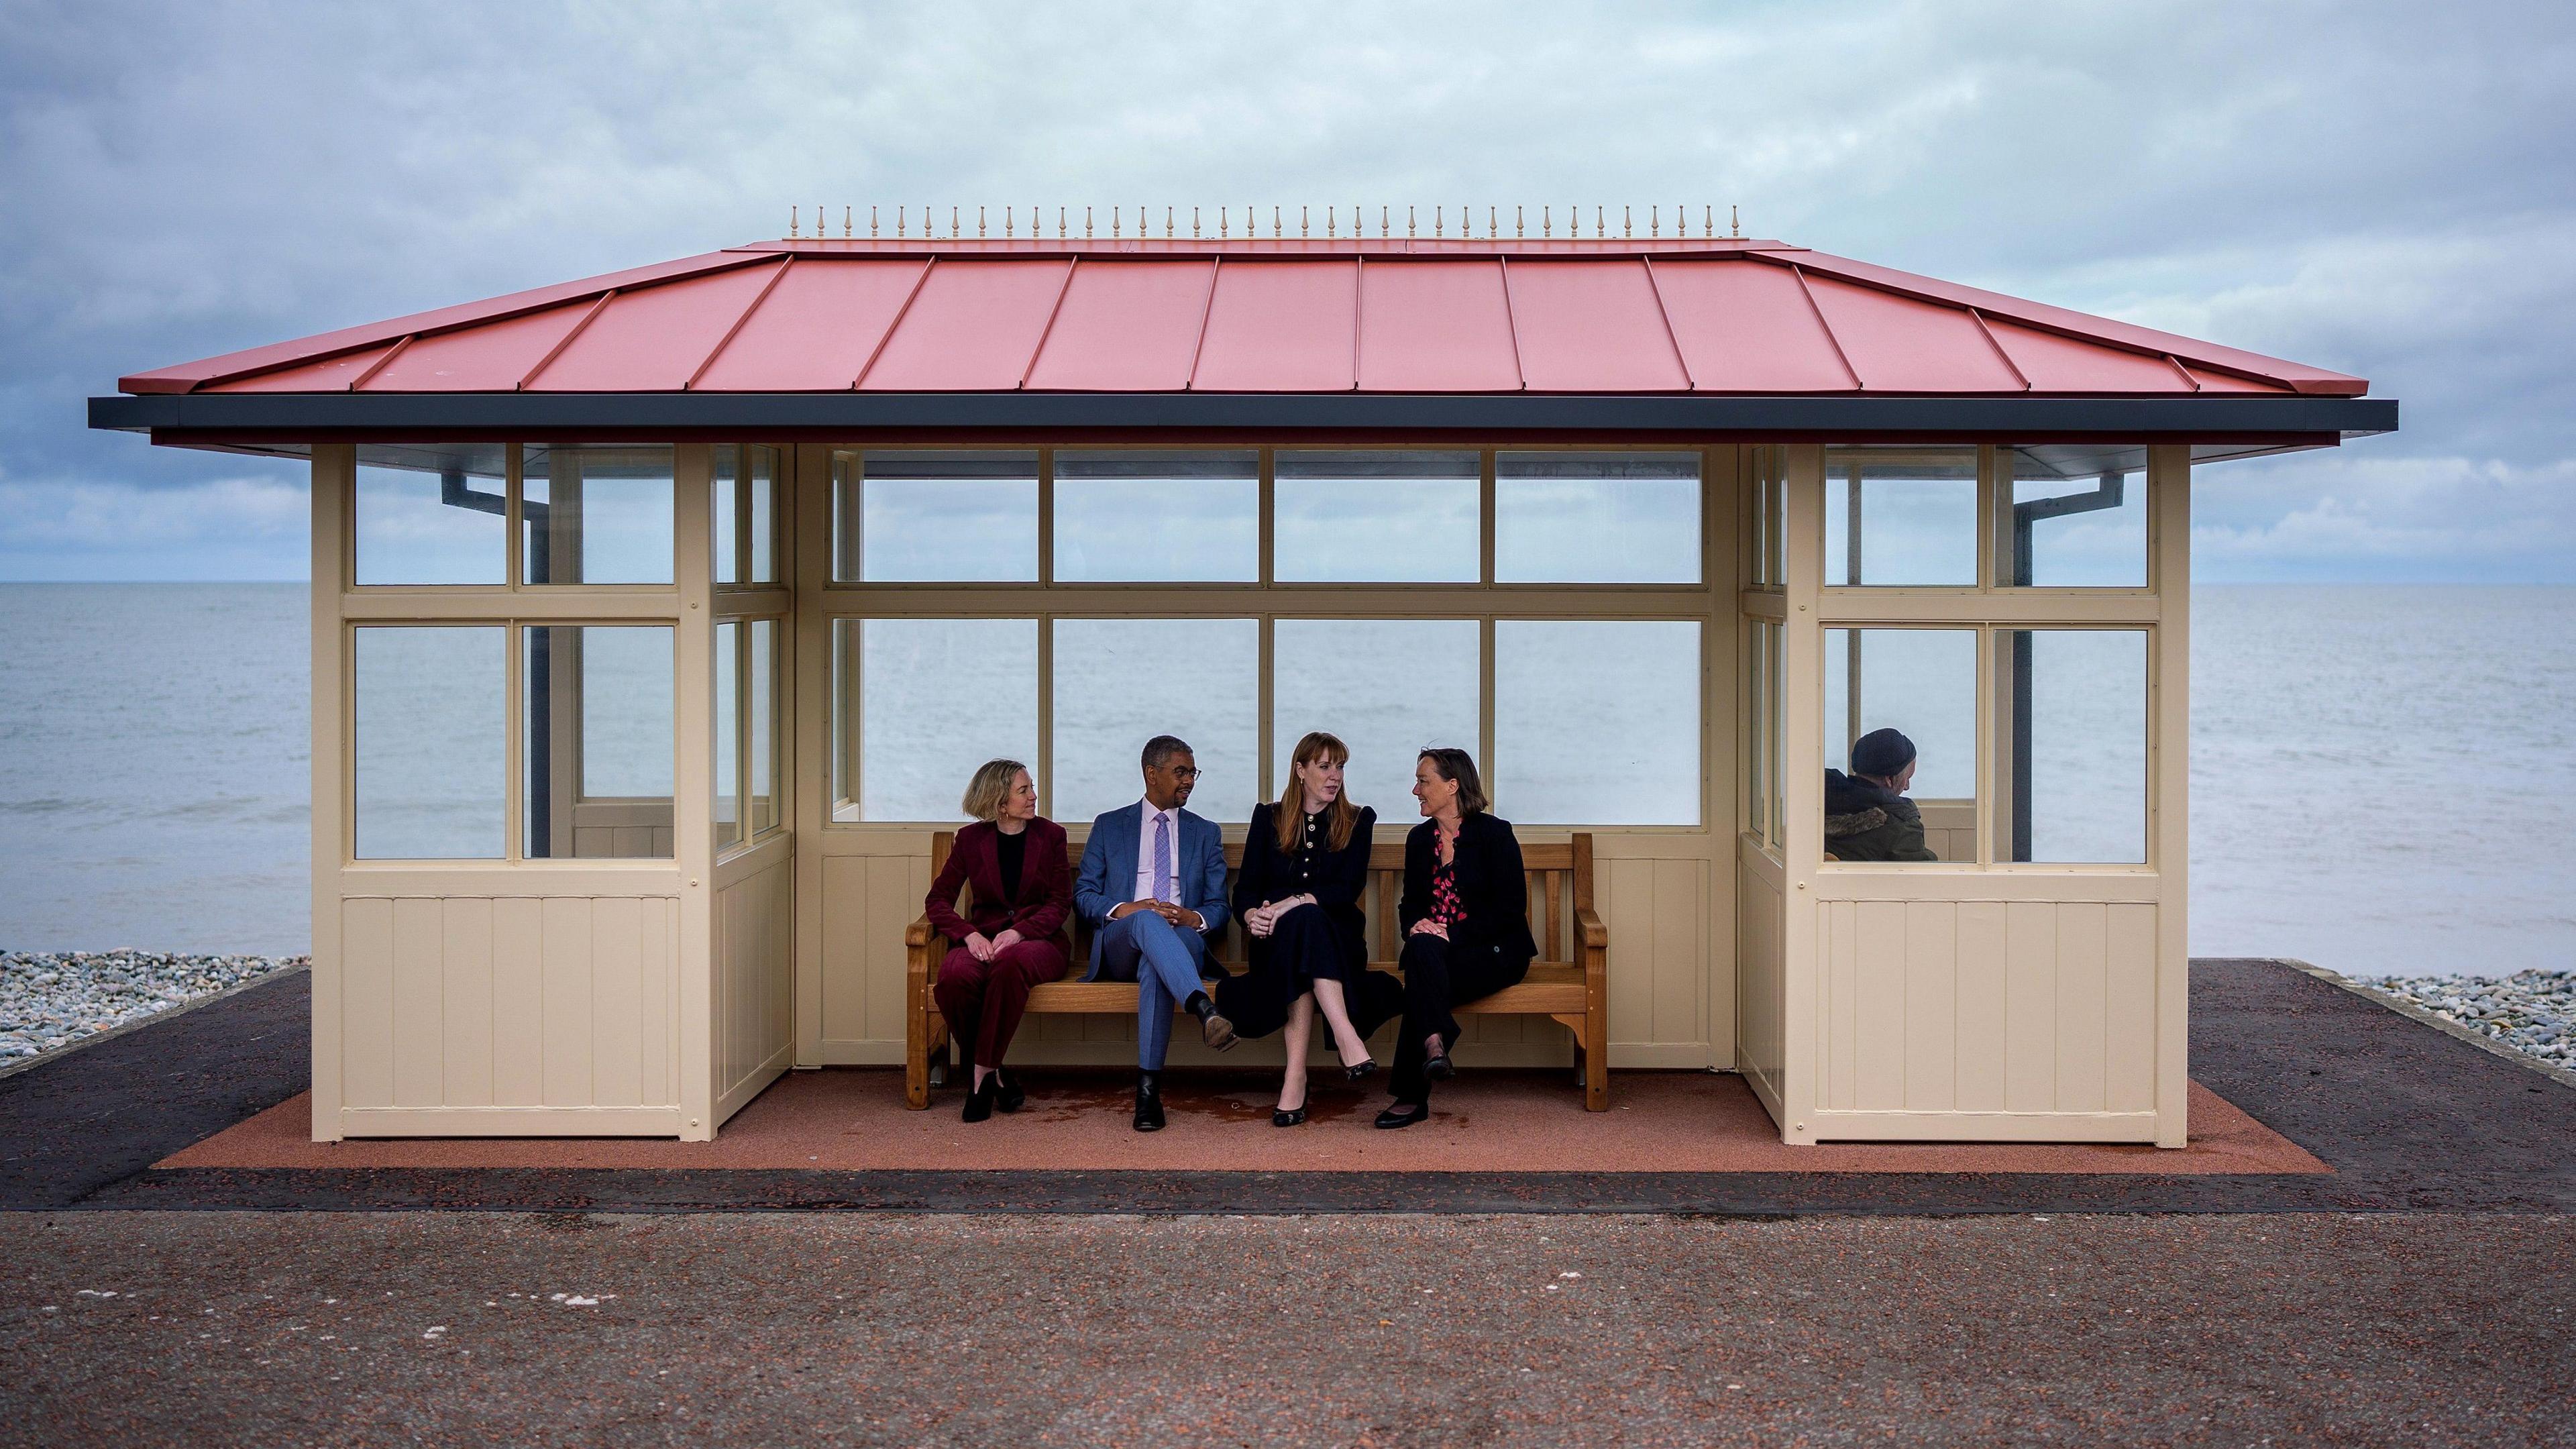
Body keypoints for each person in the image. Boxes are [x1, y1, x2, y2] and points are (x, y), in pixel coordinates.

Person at [1218, 731, 1404, 1128]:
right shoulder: (1268, 817)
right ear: (1301, 771)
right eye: (1324, 766)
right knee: (1298, 932)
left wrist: (1293, 902)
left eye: (1340, 767)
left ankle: (1295, 1078)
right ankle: (1346, 1038)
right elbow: (1247, 889)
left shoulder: (1358, 820)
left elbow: (1345, 889)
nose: (1334, 776)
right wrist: (1254, 917)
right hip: (1274, 945)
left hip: (1339, 947)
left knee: (1308, 920)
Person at [1073, 735, 1236, 1132]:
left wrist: (1190, 916)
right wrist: (1127, 909)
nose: (1190, 781)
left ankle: (1148, 1095)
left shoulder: (1205, 832)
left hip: (1181, 939)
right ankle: (1203, 1009)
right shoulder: (1110, 826)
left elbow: (1219, 907)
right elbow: (1084, 895)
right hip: (1121, 942)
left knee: (1156, 966)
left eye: (1193, 772)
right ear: (1151, 773)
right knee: (1147, 922)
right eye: (1181, 772)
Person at [1377, 747, 1537, 1130]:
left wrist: (1450, 931)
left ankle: (1413, 1091)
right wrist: (1416, 925)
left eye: (1423, 781)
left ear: (1452, 786)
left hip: (1495, 954)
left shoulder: (1495, 834)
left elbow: (1510, 909)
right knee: (1421, 949)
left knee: (1422, 974)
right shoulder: (1419, 840)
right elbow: (1410, 904)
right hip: (1435, 955)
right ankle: (1433, 1044)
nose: (1415, 790)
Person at [923, 759, 1074, 1123]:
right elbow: (938, 901)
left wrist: (1021, 931)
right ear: (999, 802)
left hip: (1040, 942)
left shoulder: (1051, 836)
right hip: (983, 940)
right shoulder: (971, 840)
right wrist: (969, 934)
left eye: (1031, 788)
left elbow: (1059, 903)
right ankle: (997, 1072)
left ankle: (979, 1077)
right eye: (1024, 791)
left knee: (1010, 965)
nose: (1034, 796)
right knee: (953, 978)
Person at [1824, 727, 1937, 862]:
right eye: (1908, 778)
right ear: (1890, 779)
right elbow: (1921, 875)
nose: (1907, 787)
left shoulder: (1819, 800)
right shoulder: (1900, 827)